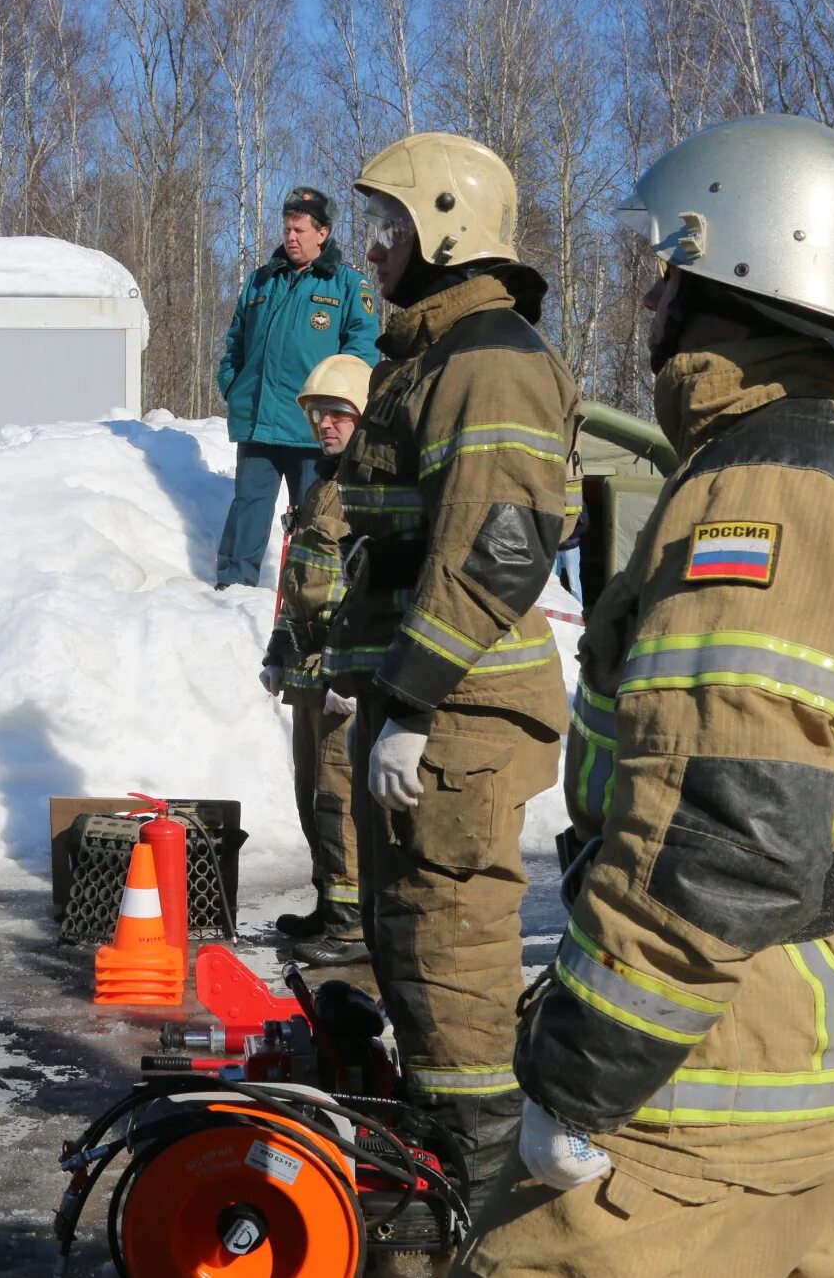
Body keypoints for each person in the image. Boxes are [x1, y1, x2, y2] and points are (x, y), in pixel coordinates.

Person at [473, 114, 834, 1278]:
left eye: (662, 271)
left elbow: (724, 825)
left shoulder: (761, 492)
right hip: (784, 1026)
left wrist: (584, 1071)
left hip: (703, 1072)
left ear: (733, 267)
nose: (647, 303)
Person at [328, 133, 581, 1204]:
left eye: (388, 225)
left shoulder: (487, 363)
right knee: (412, 943)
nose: (370, 247)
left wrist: (414, 703)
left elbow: (504, 547)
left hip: (459, 717)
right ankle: (438, 1165)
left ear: (443, 227)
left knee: (450, 950)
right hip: (430, 710)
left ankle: (478, 1199)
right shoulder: (430, 358)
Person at [214, 186, 381, 588]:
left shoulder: (347, 286)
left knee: (316, 513)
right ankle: (233, 586)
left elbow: (361, 355)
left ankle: (313, 589)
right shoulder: (260, 282)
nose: (291, 237)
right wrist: (232, 384)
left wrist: (338, 409)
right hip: (258, 419)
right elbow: (235, 342)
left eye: (300, 230)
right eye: (288, 228)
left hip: (313, 427)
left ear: (322, 233)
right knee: (249, 506)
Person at [260, 353, 370, 966]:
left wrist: (354, 668)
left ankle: (353, 923)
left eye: (337, 413)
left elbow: (372, 588)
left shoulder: (368, 489)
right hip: (308, 672)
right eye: (317, 414)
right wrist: (280, 645)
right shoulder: (321, 485)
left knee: (339, 797)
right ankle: (331, 903)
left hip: (341, 674)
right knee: (310, 793)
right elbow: (297, 577)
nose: (324, 424)